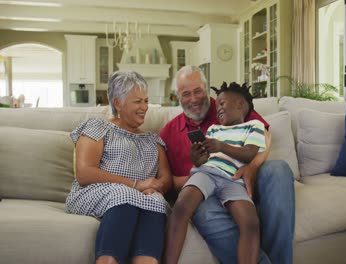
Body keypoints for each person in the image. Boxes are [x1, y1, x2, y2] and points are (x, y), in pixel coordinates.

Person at [160, 65, 295, 264]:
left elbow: (264, 136)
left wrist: (252, 167)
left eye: (198, 91)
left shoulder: (226, 105)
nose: (194, 99)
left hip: (240, 181)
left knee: (279, 169)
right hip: (204, 186)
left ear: (206, 89)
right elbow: (168, 180)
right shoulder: (169, 132)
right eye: (186, 94)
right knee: (201, 209)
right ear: (177, 97)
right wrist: (199, 175)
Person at [65, 70, 172, 264]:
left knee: (157, 202)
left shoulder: (152, 139)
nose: (145, 107)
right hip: (96, 193)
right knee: (125, 196)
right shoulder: (97, 128)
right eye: (137, 101)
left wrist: (156, 187)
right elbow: (84, 173)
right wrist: (135, 184)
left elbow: (166, 177)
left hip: (139, 195)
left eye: (146, 101)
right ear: (117, 103)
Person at [165, 82, 267, 264]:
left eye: (222, 103)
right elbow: (203, 162)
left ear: (240, 104)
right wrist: (196, 157)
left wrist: (221, 146)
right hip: (206, 173)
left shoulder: (254, 125)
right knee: (181, 208)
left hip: (233, 181)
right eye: (217, 104)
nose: (218, 108)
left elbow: (250, 153)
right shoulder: (213, 130)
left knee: (251, 223)